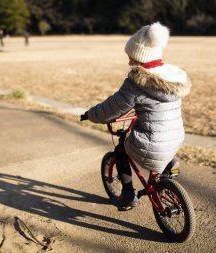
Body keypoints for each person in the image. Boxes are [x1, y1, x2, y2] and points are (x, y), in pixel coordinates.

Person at [81, 22, 191, 210]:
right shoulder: (173, 75)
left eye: (131, 57)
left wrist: (91, 114)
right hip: (176, 137)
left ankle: (127, 195)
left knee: (121, 150)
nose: (129, 62)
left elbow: (113, 107)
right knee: (161, 145)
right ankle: (168, 167)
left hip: (152, 142)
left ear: (140, 56)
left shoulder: (136, 82)